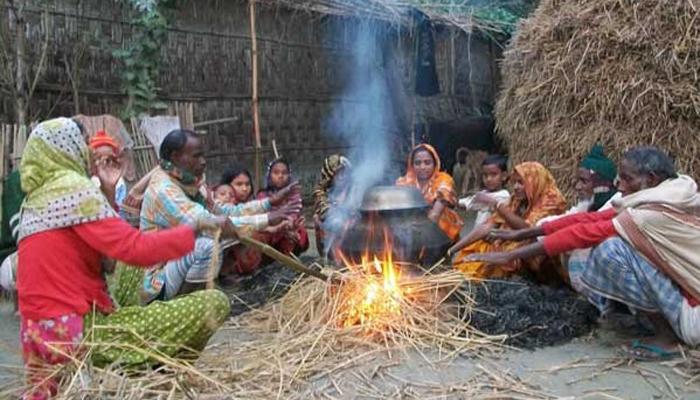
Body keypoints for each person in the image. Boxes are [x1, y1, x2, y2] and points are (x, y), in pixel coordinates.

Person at [16, 118, 231, 399]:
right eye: (82, 143)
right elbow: (135, 249)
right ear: (65, 148)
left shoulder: (35, 199)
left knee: (127, 269)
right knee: (215, 303)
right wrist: (194, 229)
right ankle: (159, 376)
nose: (88, 151)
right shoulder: (72, 189)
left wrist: (107, 190)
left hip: (38, 338)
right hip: (81, 334)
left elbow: (106, 255)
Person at [466, 147, 700, 357]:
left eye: (627, 179)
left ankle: (668, 338)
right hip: (686, 294)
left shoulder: (650, 213)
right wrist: (521, 235)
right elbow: (591, 219)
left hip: (694, 310)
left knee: (610, 250)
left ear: (651, 178)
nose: (620, 185)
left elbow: (587, 232)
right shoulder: (670, 192)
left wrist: (511, 254)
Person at [115, 129, 301, 306]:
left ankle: (195, 301)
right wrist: (267, 219)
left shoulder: (191, 182)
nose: (203, 161)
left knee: (221, 236)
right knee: (207, 245)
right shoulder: (164, 190)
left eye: (202, 155)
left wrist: (269, 204)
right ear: (175, 157)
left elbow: (225, 212)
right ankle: (182, 306)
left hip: (174, 263)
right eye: (196, 156)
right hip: (156, 278)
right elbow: (209, 222)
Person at [450, 161, 567, 282]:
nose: (516, 187)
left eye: (521, 182)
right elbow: (487, 226)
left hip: (543, 256)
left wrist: (497, 205)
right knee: (479, 246)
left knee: (497, 254)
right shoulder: (516, 199)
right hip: (517, 246)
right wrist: (452, 250)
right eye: (515, 182)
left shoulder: (552, 201)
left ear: (534, 182)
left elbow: (528, 230)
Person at [396, 144, 463, 241]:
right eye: (417, 163)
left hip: (441, 230)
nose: (422, 167)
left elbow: (435, 214)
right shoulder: (403, 182)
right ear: (411, 165)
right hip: (411, 229)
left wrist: (416, 227)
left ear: (435, 164)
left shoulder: (444, 180)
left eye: (427, 163)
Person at [256, 158, 309, 257]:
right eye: (276, 172)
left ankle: (290, 259)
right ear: (269, 175)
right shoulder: (262, 195)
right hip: (272, 230)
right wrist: (281, 227)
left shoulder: (293, 195)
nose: (280, 176)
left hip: (289, 228)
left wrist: (289, 225)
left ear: (289, 176)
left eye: (284, 173)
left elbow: (294, 213)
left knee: (300, 230)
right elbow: (264, 216)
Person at [313, 154, 352, 256]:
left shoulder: (354, 189)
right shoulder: (322, 192)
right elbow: (324, 210)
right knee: (317, 219)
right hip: (331, 231)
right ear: (330, 175)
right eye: (337, 173)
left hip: (354, 235)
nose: (341, 176)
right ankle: (328, 256)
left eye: (344, 172)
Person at [458, 154, 510, 228]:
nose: (488, 179)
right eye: (485, 175)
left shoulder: (504, 196)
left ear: (504, 176)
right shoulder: (484, 193)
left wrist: (454, 201)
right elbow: (465, 203)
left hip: (492, 236)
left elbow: (467, 203)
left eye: (494, 175)